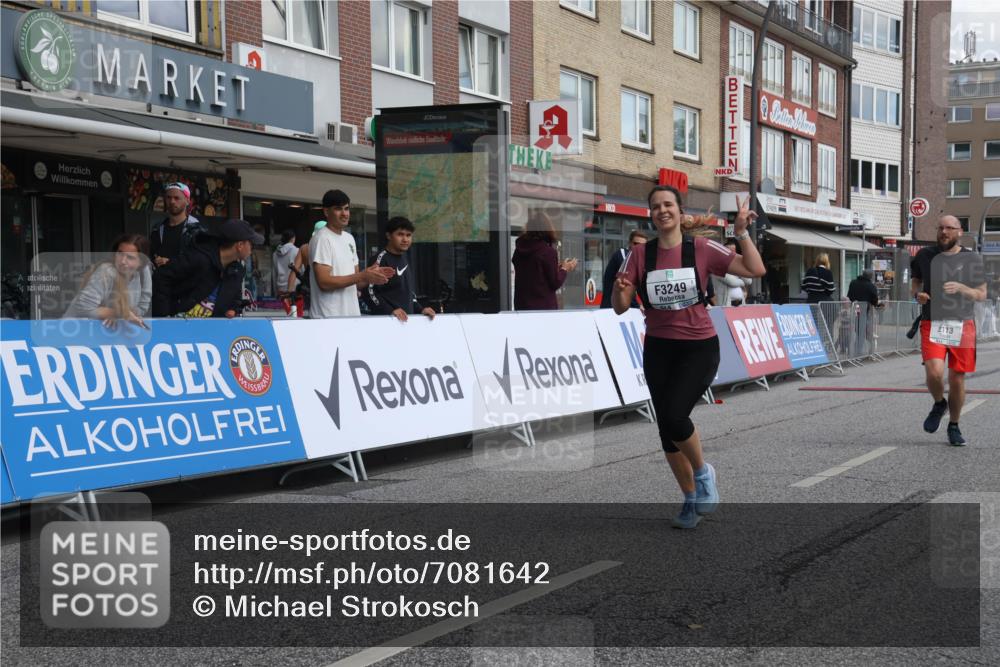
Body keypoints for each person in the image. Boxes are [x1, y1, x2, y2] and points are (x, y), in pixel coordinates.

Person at [613, 187, 765, 529]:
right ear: (650, 214)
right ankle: (690, 498)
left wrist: (740, 233)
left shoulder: (700, 248)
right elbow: (620, 307)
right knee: (667, 429)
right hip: (658, 349)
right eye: (655, 206)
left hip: (698, 347)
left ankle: (703, 473)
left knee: (674, 416)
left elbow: (755, 269)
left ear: (680, 212)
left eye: (668, 205)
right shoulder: (639, 255)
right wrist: (620, 289)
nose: (662, 210)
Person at [911, 215, 988, 446]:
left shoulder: (972, 258)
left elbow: (982, 293)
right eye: (941, 227)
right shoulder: (924, 255)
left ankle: (954, 425)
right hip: (932, 321)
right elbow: (915, 281)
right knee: (934, 373)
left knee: (956, 379)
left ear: (959, 231)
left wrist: (964, 288)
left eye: (949, 228)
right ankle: (939, 403)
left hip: (962, 324)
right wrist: (918, 295)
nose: (944, 231)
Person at [151, 219, 262, 318]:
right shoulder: (198, 258)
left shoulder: (237, 271)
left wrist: (233, 309)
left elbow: (235, 298)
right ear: (240, 245)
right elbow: (161, 276)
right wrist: (163, 316)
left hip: (208, 333)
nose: (252, 249)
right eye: (251, 244)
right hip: (177, 328)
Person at [309, 189, 391, 318]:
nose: (344, 214)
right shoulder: (322, 238)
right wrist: (362, 275)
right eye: (338, 209)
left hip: (351, 317)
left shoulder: (349, 238)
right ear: (326, 211)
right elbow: (324, 282)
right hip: (327, 318)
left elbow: (356, 283)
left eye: (346, 209)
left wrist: (371, 276)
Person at [64, 234, 151, 327]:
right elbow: (83, 307)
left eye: (130, 257)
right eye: (120, 253)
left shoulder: (143, 271)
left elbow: (142, 306)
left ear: (141, 262)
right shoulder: (106, 271)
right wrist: (116, 314)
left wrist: (126, 316)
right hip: (75, 330)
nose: (123, 261)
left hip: (108, 333)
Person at [363, 216, 437, 322]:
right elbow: (368, 292)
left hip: (405, 322)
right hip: (387, 323)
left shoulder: (405, 258)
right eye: (400, 234)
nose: (405, 239)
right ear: (388, 235)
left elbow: (408, 293)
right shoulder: (380, 259)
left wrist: (421, 309)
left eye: (408, 235)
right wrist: (389, 311)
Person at [512, 211, 578, 310]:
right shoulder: (547, 252)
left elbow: (535, 273)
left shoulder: (519, 250)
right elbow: (555, 282)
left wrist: (558, 267)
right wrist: (565, 269)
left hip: (522, 306)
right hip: (543, 309)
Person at [148, 182, 205, 268]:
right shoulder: (157, 229)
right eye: (168, 197)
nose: (172, 201)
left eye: (177, 198)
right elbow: (151, 255)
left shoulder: (196, 230)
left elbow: (201, 262)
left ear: (187, 201)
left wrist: (171, 263)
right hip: (161, 279)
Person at [601, 230, 646, 308]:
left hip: (622, 309)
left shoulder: (638, 260)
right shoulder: (623, 254)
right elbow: (627, 285)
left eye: (643, 245)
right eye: (636, 244)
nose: (639, 247)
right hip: (610, 310)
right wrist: (638, 307)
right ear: (629, 243)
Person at [710, 239, 752, 307]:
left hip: (740, 304)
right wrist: (741, 276)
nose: (733, 254)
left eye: (734, 251)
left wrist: (739, 268)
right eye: (730, 251)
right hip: (726, 304)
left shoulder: (737, 265)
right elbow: (733, 282)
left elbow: (749, 281)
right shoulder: (717, 266)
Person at [273, 229, 298, 313]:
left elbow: (275, 272)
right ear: (293, 239)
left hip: (280, 288)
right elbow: (300, 270)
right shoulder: (297, 251)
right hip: (294, 289)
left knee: (284, 315)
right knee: (295, 316)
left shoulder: (275, 254)